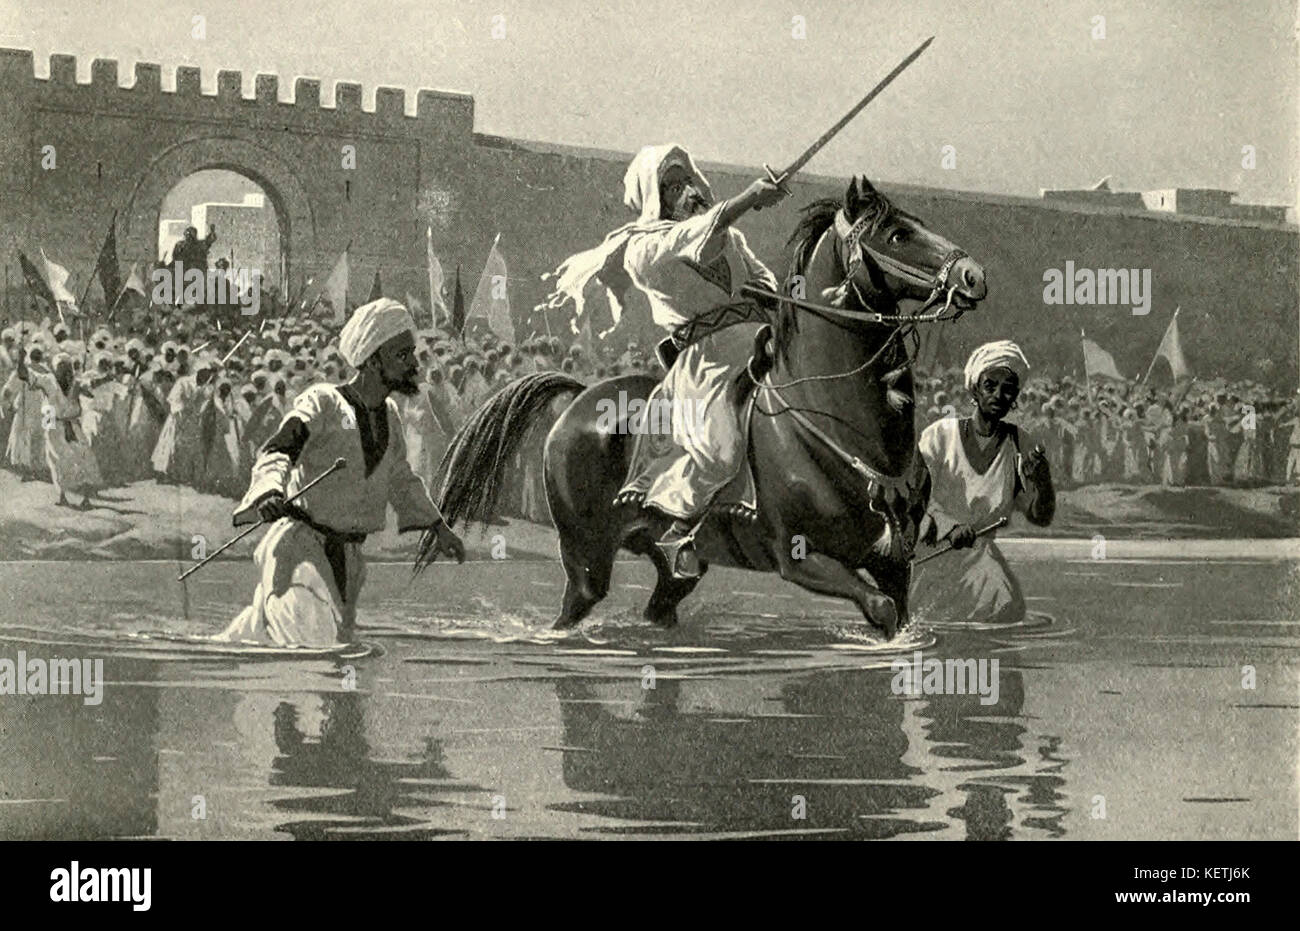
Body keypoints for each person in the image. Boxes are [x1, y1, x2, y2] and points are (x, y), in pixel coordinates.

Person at [542, 143, 786, 578]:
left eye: (690, 180)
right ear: (656, 199)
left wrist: (772, 292)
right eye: (674, 186)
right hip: (706, 361)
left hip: (759, 341)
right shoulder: (643, 250)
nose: (690, 191)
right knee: (722, 447)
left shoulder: (731, 237)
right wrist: (749, 199)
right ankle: (684, 530)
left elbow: (759, 275)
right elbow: (688, 242)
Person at [217, 298, 466, 648]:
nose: (413, 364)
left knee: (320, 645)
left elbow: (401, 479)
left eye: (411, 353)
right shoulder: (322, 402)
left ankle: (246, 634)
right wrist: (270, 492)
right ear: (373, 358)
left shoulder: (391, 416)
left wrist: (438, 527)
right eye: (402, 355)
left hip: (347, 563)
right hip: (300, 553)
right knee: (316, 647)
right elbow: (279, 449)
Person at [910, 341, 1055, 626]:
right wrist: (950, 526)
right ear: (975, 389)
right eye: (990, 386)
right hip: (930, 554)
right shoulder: (940, 436)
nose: (999, 395)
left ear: (1015, 396)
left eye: (1008, 389)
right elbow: (916, 497)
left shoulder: (1020, 443)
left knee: (1006, 608)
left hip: (978, 557)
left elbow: (1039, 516)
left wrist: (1042, 480)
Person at [12, 350, 102, 508]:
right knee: (57, 458)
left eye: (67, 367)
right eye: (61, 367)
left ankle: (85, 498)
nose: (65, 370)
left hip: (72, 423)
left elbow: (90, 388)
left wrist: (88, 386)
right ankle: (62, 495)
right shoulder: (47, 380)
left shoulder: (76, 382)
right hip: (52, 420)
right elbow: (24, 375)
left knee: (85, 456)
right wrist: (21, 359)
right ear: (55, 369)